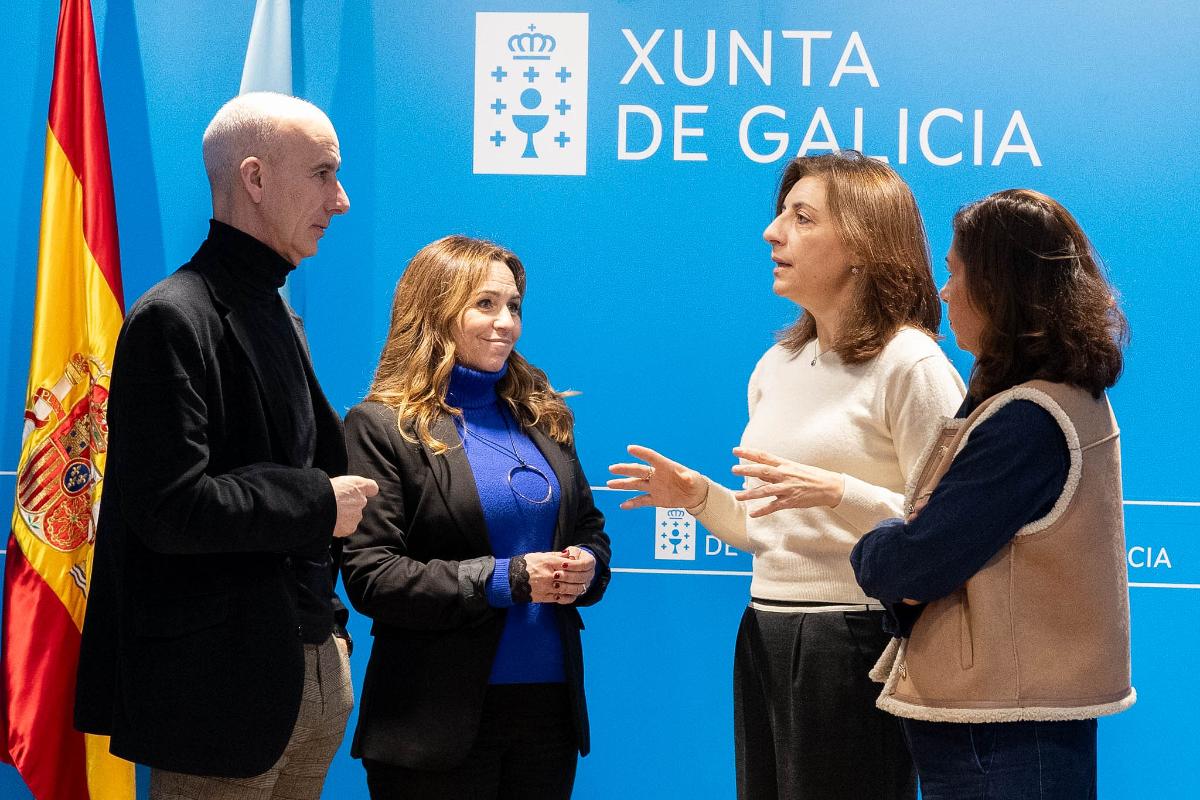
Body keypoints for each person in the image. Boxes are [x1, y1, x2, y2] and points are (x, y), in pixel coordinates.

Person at [608, 150, 964, 800]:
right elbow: (767, 529)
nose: (772, 233)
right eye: (781, 215)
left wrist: (840, 493)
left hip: (858, 639)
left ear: (863, 245)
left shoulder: (910, 363)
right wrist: (700, 497)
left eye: (802, 218)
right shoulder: (777, 364)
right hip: (765, 627)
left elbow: (951, 531)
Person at [74, 92, 379, 799]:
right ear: (255, 178)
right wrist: (317, 500)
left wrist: (331, 637)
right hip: (216, 697)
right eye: (324, 173)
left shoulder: (279, 313)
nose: (341, 201)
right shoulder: (171, 318)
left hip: (307, 676)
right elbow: (171, 507)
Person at [850, 189, 1134, 799]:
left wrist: (876, 545)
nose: (944, 291)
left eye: (955, 273)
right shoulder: (1059, 397)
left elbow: (917, 563)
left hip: (1000, 732)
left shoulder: (1027, 419)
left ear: (1000, 287)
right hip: (1013, 724)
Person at [341, 235, 611, 799]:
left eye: (513, 306)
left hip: (548, 716)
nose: (506, 323)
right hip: (432, 722)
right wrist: (507, 579)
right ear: (435, 310)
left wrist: (587, 564)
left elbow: (589, 527)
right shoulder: (381, 426)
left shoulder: (543, 415)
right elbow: (373, 576)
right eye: (485, 304)